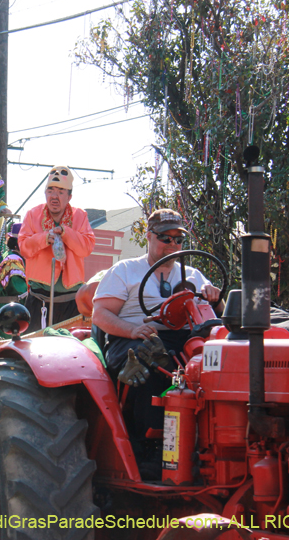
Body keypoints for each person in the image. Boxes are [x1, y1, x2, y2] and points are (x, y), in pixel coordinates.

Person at [92, 208, 223, 478]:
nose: (173, 245)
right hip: (132, 337)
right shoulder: (125, 271)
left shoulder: (194, 275)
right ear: (149, 237)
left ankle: (212, 442)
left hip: (183, 338)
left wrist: (214, 297)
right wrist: (133, 330)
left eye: (179, 240)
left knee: (216, 363)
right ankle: (148, 448)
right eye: (166, 238)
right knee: (151, 358)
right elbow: (101, 315)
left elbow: (216, 313)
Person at [19, 166, 95, 331]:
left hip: (72, 301)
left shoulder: (80, 216)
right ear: (45, 193)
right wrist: (44, 238)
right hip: (39, 299)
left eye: (61, 192)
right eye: (50, 190)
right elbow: (24, 247)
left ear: (69, 196)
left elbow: (87, 247)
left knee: (68, 350)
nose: (54, 196)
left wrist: (66, 233)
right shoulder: (33, 214)